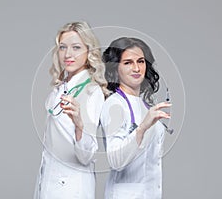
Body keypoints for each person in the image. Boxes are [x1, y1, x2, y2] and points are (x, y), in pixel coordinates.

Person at [34, 21, 109, 199]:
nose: (68, 54)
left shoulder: (92, 91)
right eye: (62, 47)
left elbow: (87, 156)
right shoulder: (60, 88)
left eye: (76, 47)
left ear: (89, 51)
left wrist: (79, 125)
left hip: (72, 187)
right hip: (49, 182)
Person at [101, 37, 172, 199]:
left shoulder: (144, 104)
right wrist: (142, 128)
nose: (136, 68)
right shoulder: (114, 105)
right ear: (115, 68)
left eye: (140, 61)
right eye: (127, 63)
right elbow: (115, 161)